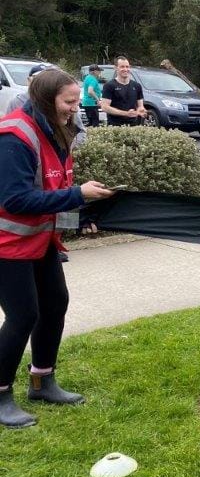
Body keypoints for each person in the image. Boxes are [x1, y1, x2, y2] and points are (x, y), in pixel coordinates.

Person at [0, 68, 114, 428]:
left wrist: (83, 212)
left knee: (54, 304)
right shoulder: (14, 136)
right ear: (46, 100)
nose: (75, 107)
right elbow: (15, 199)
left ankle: (42, 382)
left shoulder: (57, 130)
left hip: (40, 238)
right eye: (69, 101)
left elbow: (54, 187)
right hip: (7, 244)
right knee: (23, 315)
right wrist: (78, 194)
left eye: (77, 101)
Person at [100, 56, 145, 126]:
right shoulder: (109, 86)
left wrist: (140, 110)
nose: (125, 69)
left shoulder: (137, 86)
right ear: (115, 68)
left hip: (134, 127)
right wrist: (126, 113)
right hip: (115, 127)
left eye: (127, 67)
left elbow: (140, 106)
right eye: (122, 67)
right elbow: (104, 107)